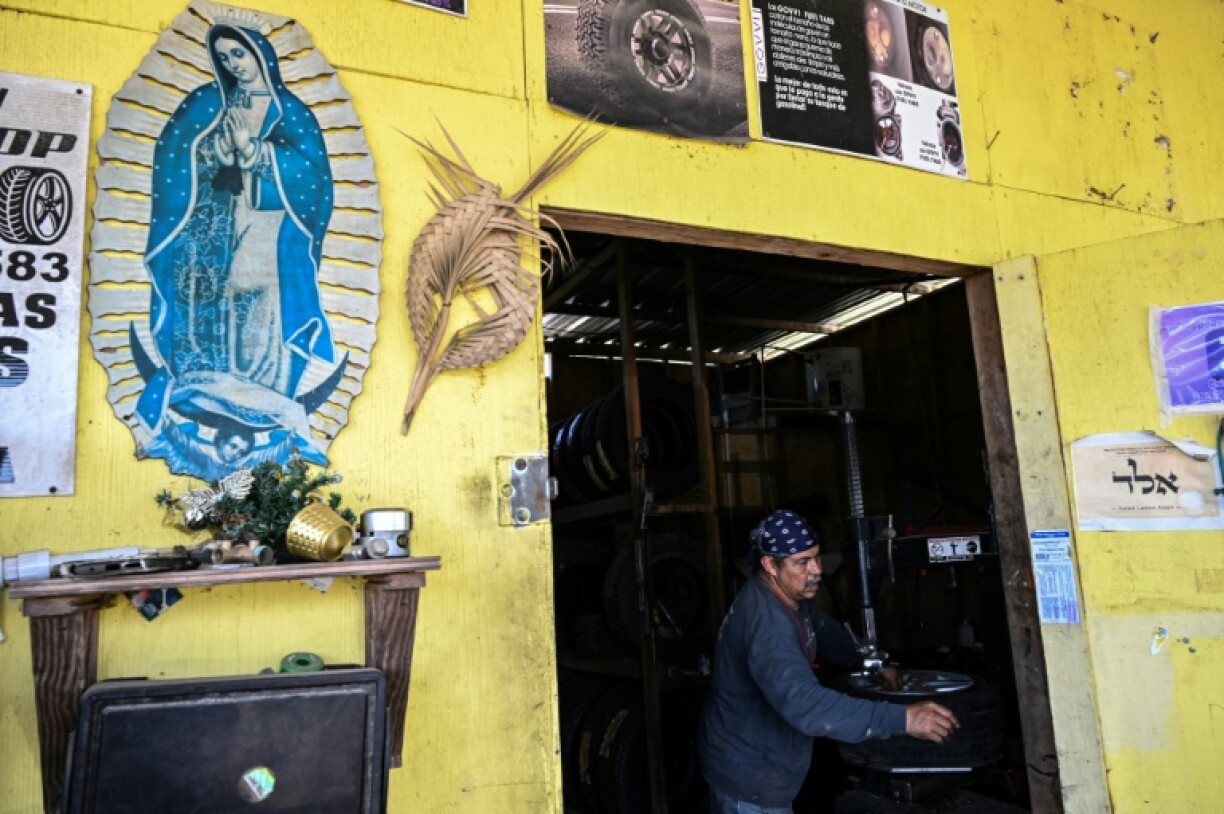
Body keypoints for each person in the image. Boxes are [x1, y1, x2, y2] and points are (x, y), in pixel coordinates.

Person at [133, 19, 339, 476]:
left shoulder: (292, 112)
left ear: (260, 56)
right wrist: (212, 150)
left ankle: (261, 391)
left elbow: (313, 177)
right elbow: (173, 155)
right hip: (210, 219)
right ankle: (207, 378)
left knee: (258, 301)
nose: (232, 65)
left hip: (265, 222)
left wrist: (261, 155)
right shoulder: (207, 102)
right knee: (210, 296)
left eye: (239, 55)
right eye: (224, 58)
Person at [697, 509, 959, 813]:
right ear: (770, 564)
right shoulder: (767, 627)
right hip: (749, 780)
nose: (816, 570)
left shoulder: (787, 598)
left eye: (817, 557)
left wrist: (867, 659)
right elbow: (804, 704)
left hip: (762, 764)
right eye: (802, 562)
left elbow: (822, 631)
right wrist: (903, 719)